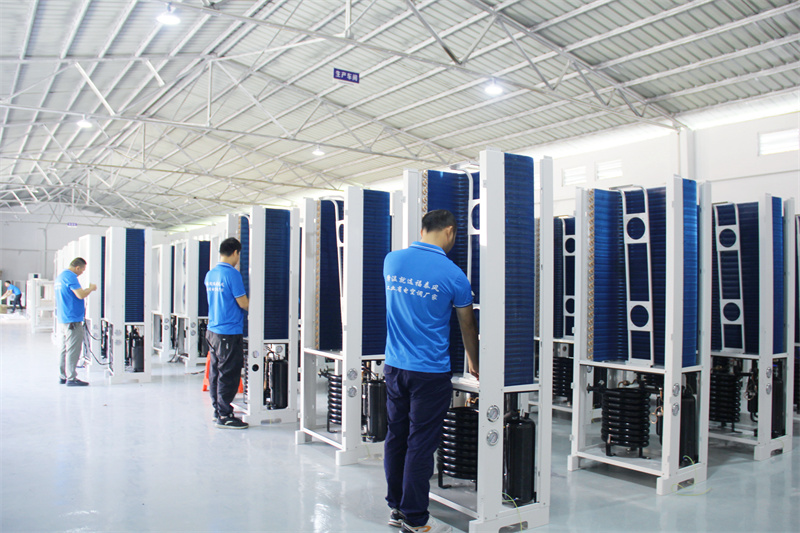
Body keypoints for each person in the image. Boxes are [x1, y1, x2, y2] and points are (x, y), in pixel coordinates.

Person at [383, 209, 479, 533]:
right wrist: (475, 363)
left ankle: (396, 507)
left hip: (395, 367)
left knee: (396, 437)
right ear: (450, 232)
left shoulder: (392, 261)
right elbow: (467, 325)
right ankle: (416, 518)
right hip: (430, 372)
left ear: (423, 229)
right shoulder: (454, 276)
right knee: (421, 443)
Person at [205, 237, 249, 429]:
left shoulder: (211, 274)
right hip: (228, 332)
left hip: (213, 331)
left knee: (216, 372)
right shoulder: (232, 275)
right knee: (229, 374)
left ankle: (218, 410)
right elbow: (243, 303)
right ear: (235, 252)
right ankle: (225, 415)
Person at [54, 258, 97, 386]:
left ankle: (63, 376)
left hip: (63, 319)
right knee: (73, 350)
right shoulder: (71, 277)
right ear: (77, 267)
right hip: (72, 319)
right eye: (82, 270)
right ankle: (71, 378)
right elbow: (80, 295)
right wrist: (91, 289)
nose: (81, 273)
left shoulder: (60, 277)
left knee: (63, 349)